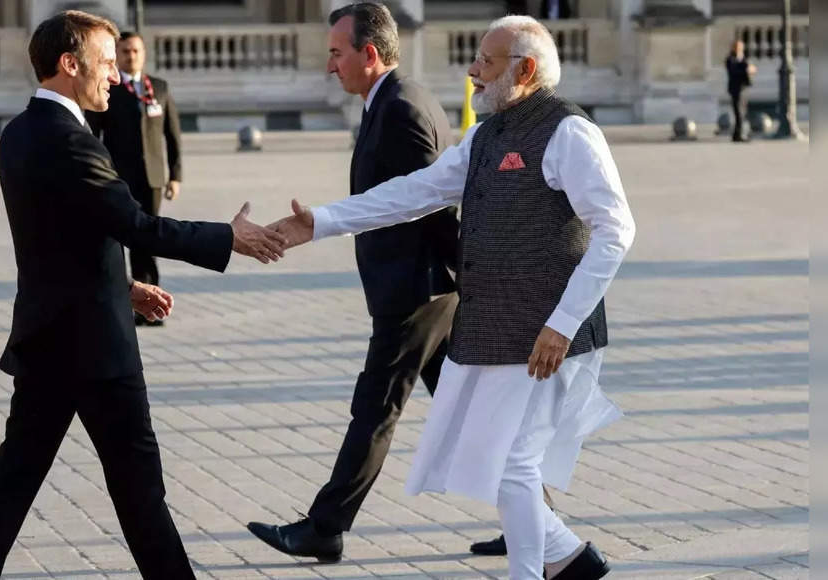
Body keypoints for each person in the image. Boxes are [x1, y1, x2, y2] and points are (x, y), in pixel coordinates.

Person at [269, 15, 635, 580]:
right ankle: (569, 559)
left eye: (484, 62)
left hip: (551, 335)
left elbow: (615, 229)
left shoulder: (570, 132)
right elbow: (413, 193)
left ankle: (532, 572)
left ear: (526, 70)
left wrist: (562, 324)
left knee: (512, 464)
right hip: (496, 330)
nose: (471, 71)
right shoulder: (485, 138)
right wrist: (318, 222)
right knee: (492, 461)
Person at [0, 11, 286, 580]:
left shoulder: (20, 132)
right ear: (69, 63)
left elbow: (59, 236)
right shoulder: (71, 141)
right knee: (139, 495)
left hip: (49, 335)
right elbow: (136, 225)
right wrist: (232, 238)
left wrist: (123, 285)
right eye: (107, 62)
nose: (115, 75)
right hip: (96, 349)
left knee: (12, 482)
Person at [246, 3, 460, 563]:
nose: (329, 66)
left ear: (369, 54)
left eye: (337, 53)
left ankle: (326, 526)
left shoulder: (402, 108)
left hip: (416, 292)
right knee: (468, 409)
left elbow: (430, 205)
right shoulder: (394, 99)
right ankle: (540, 523)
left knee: (376, 408)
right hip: (427, 289)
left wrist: (456, 279)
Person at [87, 31, 182, 325]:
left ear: (144, 53)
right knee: (119, 238)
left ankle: (151, 304)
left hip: (153, 178)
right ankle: (124, 299)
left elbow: (172, 135)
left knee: (149, 238)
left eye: (136, 51)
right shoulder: (109, 90)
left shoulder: (160, 88)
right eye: (126, 51)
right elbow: (93, 136)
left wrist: (175, 176)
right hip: (119, 178)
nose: (132, 56)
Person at [725, 40, 756, 142]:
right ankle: (739, 135)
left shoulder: (742, 58)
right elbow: (734, 72)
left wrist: (751, 69)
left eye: (741, 47)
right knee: (738, 113)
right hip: (735, 89)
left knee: (742, 112)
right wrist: (746, 70)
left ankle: (737, 134)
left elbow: (747, 68)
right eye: (738, 47)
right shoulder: (730, 59)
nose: (740, 49)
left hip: (743, 89)